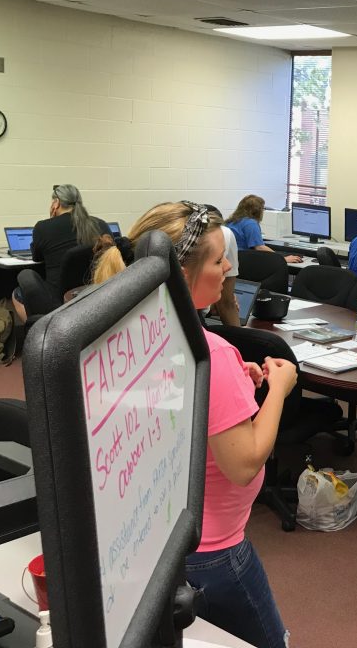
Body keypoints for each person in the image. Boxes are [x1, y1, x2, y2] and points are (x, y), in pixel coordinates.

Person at [93, 202, 296, 647]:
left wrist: (225, 388)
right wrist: (278, 388)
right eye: (218, 259)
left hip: (154, 540)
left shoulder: (129, 338)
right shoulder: (211, 353)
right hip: (215, 553)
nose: (228, 268)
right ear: (183, 274)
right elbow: (243, 464)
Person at [12, 183, 109, 321]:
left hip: (59, 300)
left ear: (56, 203)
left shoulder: (43, 227)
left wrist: (50, 221)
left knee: (17, 293)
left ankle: (40, 331)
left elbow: (37, 257)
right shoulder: (101, 224)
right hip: (95, 294)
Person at [225, 194, 302, 264]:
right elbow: (260, 247)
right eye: (263, 208)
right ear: (257, 210)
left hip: (231, 259)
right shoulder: (250, 223)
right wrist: (283, 258)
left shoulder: (231, 221)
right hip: (242, 261)